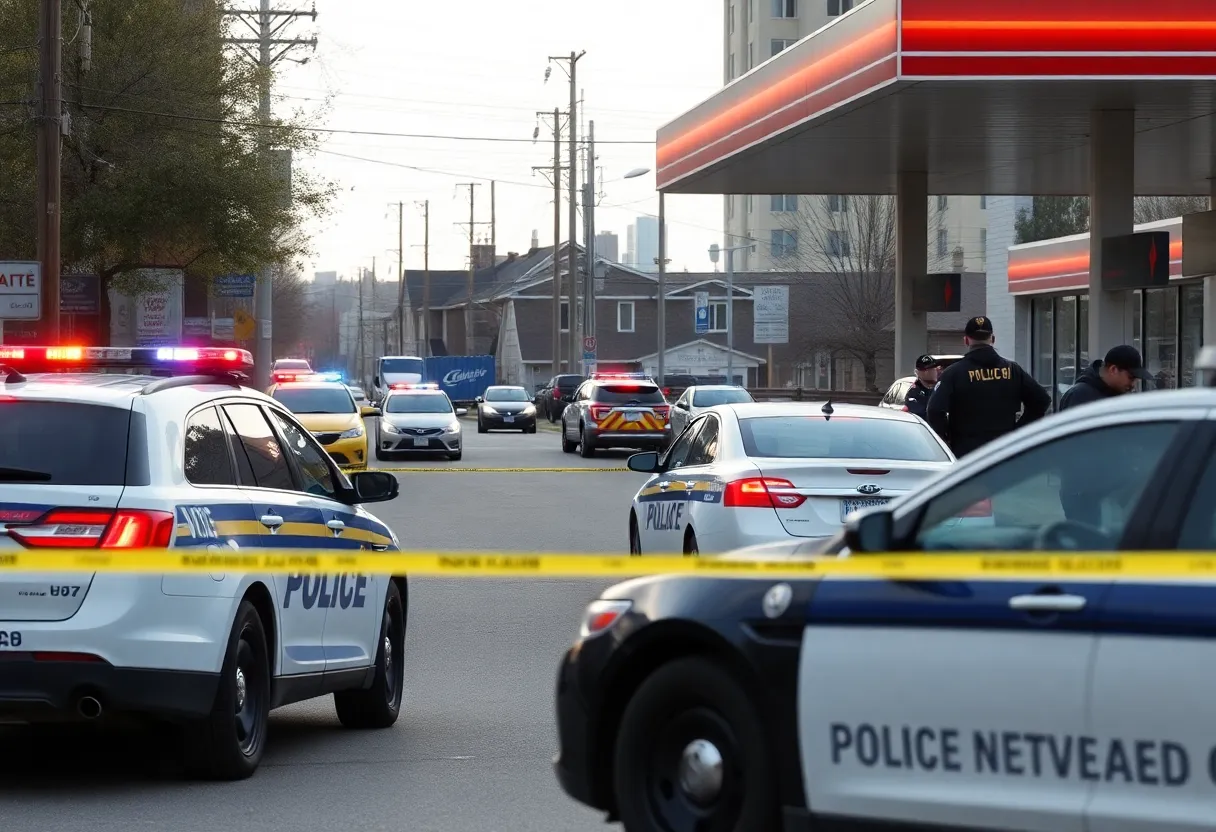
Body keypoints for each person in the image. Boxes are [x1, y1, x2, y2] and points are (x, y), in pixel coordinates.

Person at [925, 316, 1051, 458]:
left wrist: (947, 436)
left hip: (967, 452)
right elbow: (1042, 400)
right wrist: (1017, 432)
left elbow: (934, 410)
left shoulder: (954, 373)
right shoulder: (1013, 370)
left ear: (966, 340)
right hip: (1004, 451)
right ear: (992, 339)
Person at [1058, 345, 1152, 412]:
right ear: (1113, 370)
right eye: (1131, 378)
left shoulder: (1119, 395)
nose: (1133, 385)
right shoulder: (1079, 396)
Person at [903, 354, 940, 419]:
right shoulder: (914, 392)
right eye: (927, 369)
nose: (933, 371)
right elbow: (919, 414)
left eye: (934, 368)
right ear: (917, 372)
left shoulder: (940, 389)